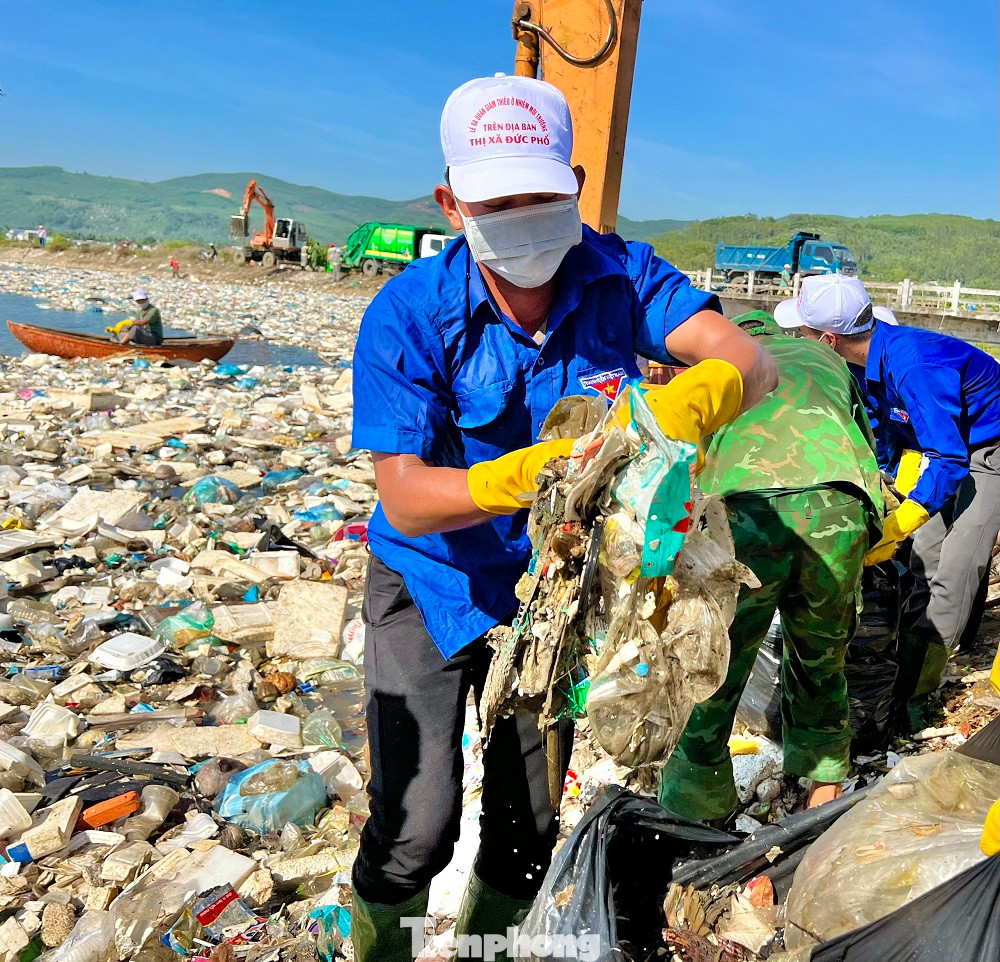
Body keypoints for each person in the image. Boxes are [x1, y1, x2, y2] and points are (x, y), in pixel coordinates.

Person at [349, 74, 777, 962]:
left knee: (527, 819)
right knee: (417, 823)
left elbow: (745, 357)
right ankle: (381, 942)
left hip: (554, 587)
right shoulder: (410, 313)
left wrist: (700, 398)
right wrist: (529, 475)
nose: (522, 217)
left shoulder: (622, 277)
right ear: (449, 201)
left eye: (540, 198)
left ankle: (483, 947)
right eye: (495, 203)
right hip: (433, 581)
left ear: (575, 184)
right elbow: (405, 496)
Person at [658, 311, 883, 823]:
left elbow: (683, 465)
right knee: (821, 659)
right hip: (839, 505)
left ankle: (697, 814)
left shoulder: (720, 367)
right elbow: (862, 442)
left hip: (747, 510)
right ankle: (821, 801)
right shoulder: (826, 358)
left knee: (717, 663)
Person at [775, 274, 1000, 732]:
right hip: (941, 449)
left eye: (803, 335)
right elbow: (886, 435)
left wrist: (898, 524)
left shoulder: (913, 365)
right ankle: (904, 670)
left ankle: (914, 701)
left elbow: (951, 458)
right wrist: (882, 494)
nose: (801, 342)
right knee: (923, 561)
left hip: (986, 451)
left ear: (828, 339)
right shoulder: (864, 362)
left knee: (954, 574)